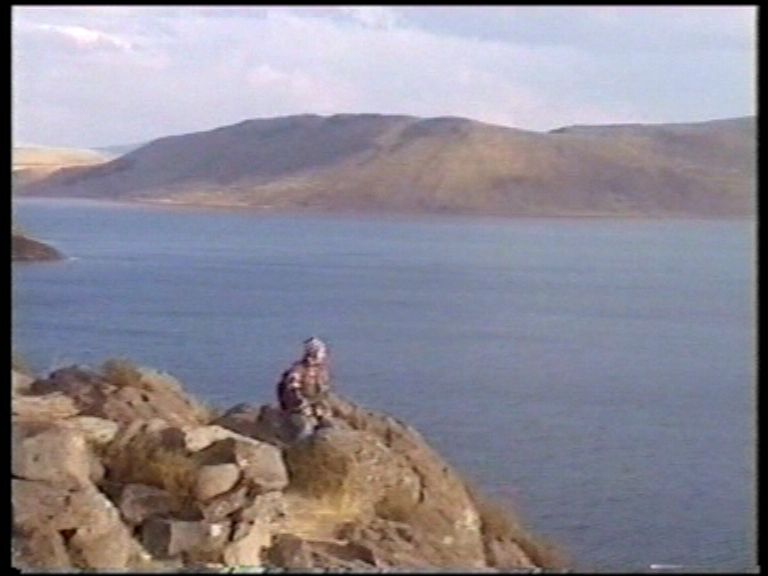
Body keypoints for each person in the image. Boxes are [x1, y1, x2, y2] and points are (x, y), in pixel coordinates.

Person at [276, 337, 333, 440]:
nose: (324, 355)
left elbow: (324, 389)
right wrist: (301, 404)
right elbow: (292, 389)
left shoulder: (321, 370)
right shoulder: (299, 369)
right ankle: (299, 447)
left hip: (316, 405)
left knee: (328, 425)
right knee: (305, 428)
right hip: (298, 407)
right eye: (322, 352)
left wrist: (322, 405)